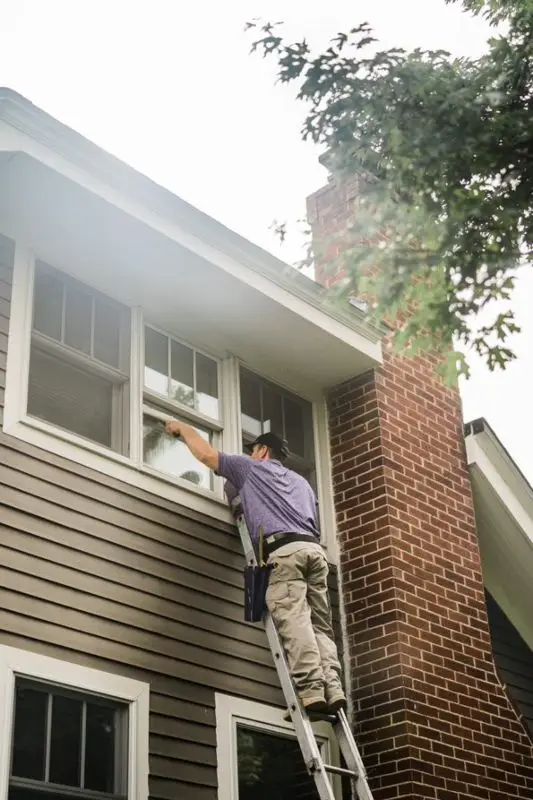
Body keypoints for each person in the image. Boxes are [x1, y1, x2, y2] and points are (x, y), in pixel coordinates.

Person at [165, 420, 347, 716]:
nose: (250, 455)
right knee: (320, 627)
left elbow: (206, 455)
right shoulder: (302, 484)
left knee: (294, 619)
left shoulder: (250, 468)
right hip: (314, 552)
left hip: (283, 552)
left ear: (262, 451)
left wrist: (182, 428)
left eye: (253, 450)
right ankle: (334, 688)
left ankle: (312, 691)